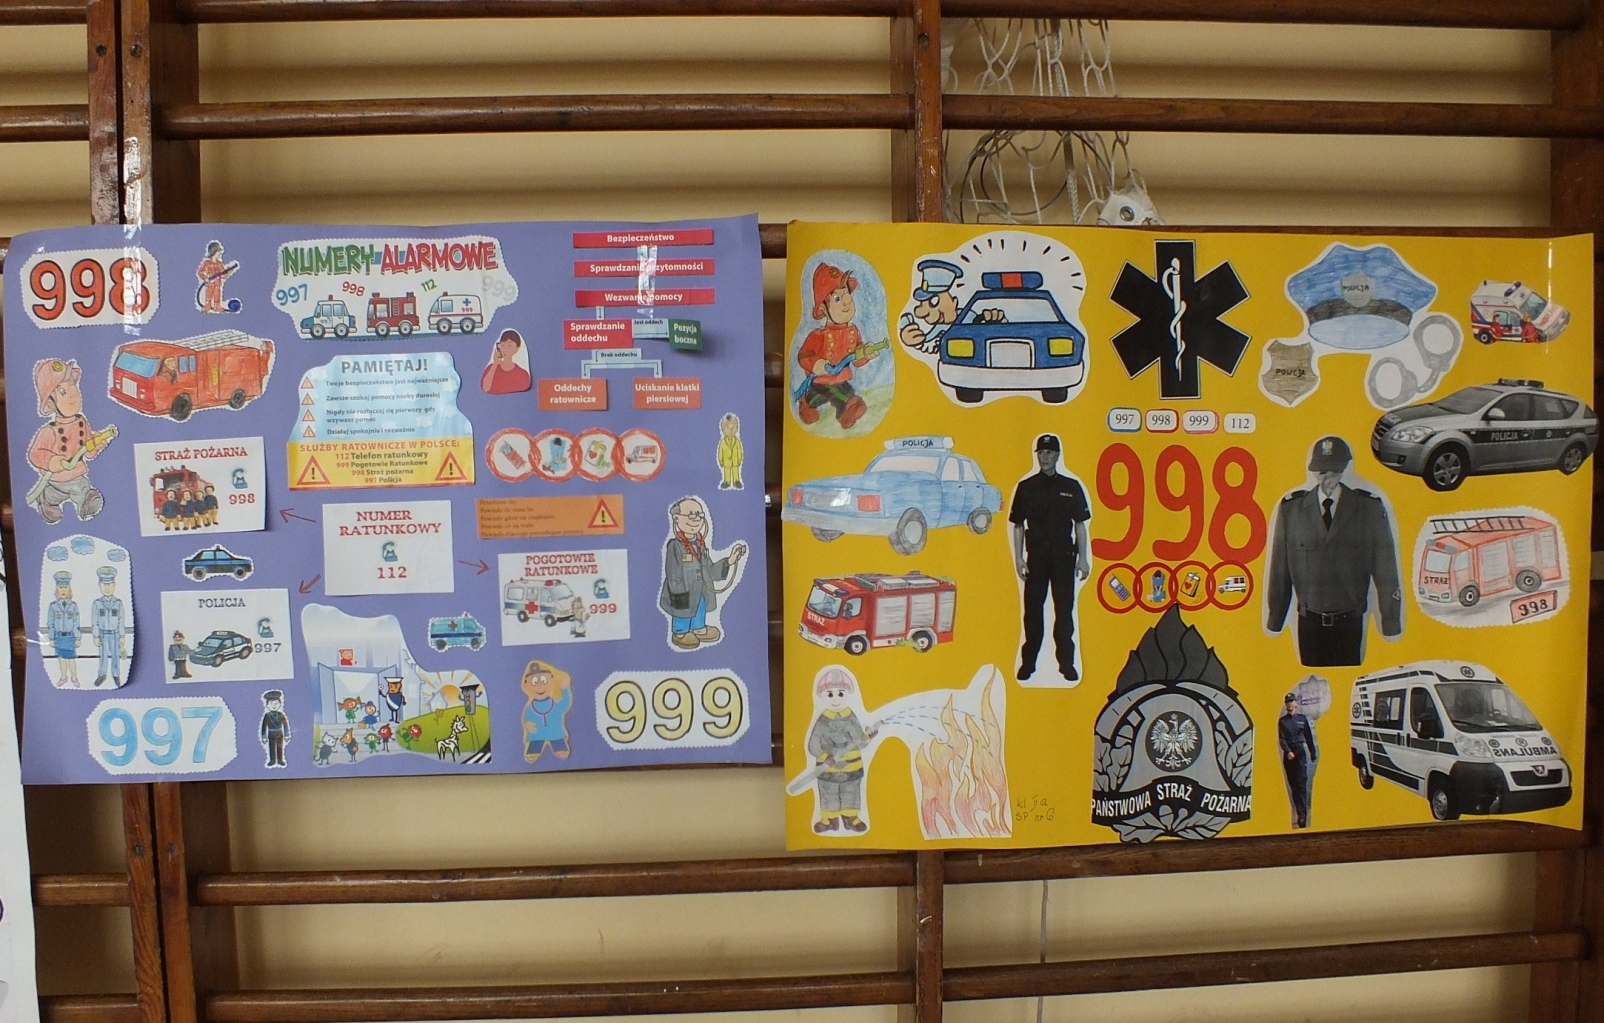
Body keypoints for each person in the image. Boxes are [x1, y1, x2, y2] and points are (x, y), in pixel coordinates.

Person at [1265, 435, 1403, 667]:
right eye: (1321, 471)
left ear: (1344, 468)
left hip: (1350, 623)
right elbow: (1279, 570)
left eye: (1334, 470)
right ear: (1313, 472)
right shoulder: (1292, 510)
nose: (1327, 476)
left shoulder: (1368, 509)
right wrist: (1275, 619)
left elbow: (1386, 569)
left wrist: (1390, 622)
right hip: (1309, 625)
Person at [1009, 434, 1091, 682]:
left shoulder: (1071, 487)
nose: (1044, 457)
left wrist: (1083, 559)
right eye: (1041, 453)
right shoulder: (1026, 487)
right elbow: (1018, 525)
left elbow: (1080, 525)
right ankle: (1028, 664)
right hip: (1036, 559)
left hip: (1064, 558)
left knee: (1064, 613)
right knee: (1032, 612)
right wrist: (1018, 559)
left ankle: (1066, 664)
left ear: (1057, 456)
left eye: (1049, 453)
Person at [26, 359, 110, 524]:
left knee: (81, 487)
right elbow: (35, 454)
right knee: (56, 493)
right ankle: (47, 499)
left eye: (74, 387)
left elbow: (87, 450)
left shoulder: (81, 422)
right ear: (51, 402)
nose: (73, 395)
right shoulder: (49, 431)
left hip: (76, 474)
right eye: (63, 392)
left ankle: (87, 502)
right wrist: (52, 461)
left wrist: (96, 444)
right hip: (55, 478)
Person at [658, 497, 747, 649]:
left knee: (699, 607)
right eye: (691, 515)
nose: (696, 520)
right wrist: (679, 594)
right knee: (683, 611)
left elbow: (709, 569)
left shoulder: (700, 545)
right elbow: (673, 575)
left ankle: (698, 628)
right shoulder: (675, 546)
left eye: (699, 515)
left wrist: (730, 560)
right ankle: (680, 632)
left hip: (700, 589)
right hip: (682, 591)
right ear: (677, 519)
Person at [796, 263, 875, 429]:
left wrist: (865, 353)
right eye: (837, 299)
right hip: (822, 380)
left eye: (847, 295)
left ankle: (808, 402)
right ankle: (846, 411)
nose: (846, 302)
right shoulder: (819, 335)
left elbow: (856, 356)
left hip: (841, 377)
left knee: (830, 394)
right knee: (845, 396)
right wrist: (817, 364)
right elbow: (804, 355)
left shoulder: (853, 331)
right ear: (823, 308)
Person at [806, 668, 877, 834]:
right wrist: (824, 756)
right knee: (828, 793)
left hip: (852, 767)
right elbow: (813, 743)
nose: (836, 699)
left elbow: (859, 742)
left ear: (847, 695)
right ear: (822, 696)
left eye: (840, 693)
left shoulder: (851, 717)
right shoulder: (823, 720)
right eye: (830, 694)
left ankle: (851, 819)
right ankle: (829, 820)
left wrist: (867, 737)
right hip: (828, 769)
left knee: (850, 792)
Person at [898, 258, 963, 354]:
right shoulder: (939, 329)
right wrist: (911, 340)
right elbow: (927, 345)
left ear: (954, 302)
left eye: (934, 302)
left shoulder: (969, 316)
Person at [1278, 692, 1319, 829]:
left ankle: (1303, 815)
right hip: (1289, 754)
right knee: (1294, 785)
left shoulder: (1302, 719)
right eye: (1287, 702)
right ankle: (1299, 809)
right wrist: (1288, 751)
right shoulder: (1283, 721)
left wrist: (1313, 753)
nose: (1290, 704)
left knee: (1301, 783)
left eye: (1291, 701)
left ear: (1295, 703)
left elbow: (1308, 737)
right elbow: (1282, 739)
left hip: (1300, 752)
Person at [521, 660, 573, 762]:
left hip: (555, 732)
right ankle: (534, 750)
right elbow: (527, 717)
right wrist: (527, 724)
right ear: (526, 683)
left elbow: (565, 703)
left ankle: (560, 747)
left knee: (558, 741)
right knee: (535, 742)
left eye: (544, 680)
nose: (539, 686)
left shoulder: (555, 705)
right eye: (534, 682)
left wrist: (565, 688)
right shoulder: (530, 707)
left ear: (552, 680)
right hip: (537, 733)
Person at [91, 565, 126, 687]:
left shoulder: (118, 603)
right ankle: (102, 674)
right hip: (103, 634)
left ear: (114, 585)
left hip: (115, 634)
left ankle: (116, 674)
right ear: (100, 585)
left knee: (116, 655)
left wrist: (122, 636)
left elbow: (121, 620)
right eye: (104, 585)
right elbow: (95, 621)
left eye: (110, 585)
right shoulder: (97, 604)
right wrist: (96, 636)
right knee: (103, 655)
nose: (107, 588)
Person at [47, 571, 81, 687]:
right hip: (59, 637)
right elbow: (51, 623)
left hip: (70, 636)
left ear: (69, 589)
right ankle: (63, 677)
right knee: (61, 659)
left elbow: (76, 622)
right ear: (57, 589)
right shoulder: (53, 606)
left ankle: (74, 677)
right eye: (60, 587)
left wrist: (78, 638)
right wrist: (51, 638)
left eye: (65, 587)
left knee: (71, 659)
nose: (63, 590)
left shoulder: (73, 606)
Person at [480, 329, 531, 394]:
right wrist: (495, 364)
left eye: (509, 345)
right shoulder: (491, 368)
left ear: (517, 348)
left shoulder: (523, 374)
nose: (505, 349)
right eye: (503, 345)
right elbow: (485, 388)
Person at [260, 689, 291, 769]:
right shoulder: (267, 716)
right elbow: (264, 726)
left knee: (280, 747)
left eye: (276, 703)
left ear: (280, 704)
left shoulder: (281, 715)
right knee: (272, 747)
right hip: (271, 734)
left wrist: (287, 734)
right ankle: (272, 760)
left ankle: (280, 760)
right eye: (271, 703)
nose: (274, 705)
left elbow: (285, 725)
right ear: (267, 705)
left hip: (280, 733)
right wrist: (264, 736)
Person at [716, 413, 744, 490]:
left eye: (733, 428)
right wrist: (721, 460)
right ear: (723, 429)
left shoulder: (737, 441)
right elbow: (720, 452)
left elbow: (739, 451)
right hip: (726, 461)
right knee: (727, 471)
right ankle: (727, 481)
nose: (730, 430)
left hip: (735, 461)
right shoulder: (723, 442)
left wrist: (739, 459)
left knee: (736, 471)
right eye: (728, 428)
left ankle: (736, 481)